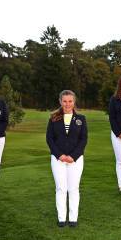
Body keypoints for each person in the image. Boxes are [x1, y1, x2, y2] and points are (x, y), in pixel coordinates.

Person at [46, 90, 88, 228]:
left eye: (70, 101)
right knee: (61, 188)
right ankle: (62, 218)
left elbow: (83, 140)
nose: (67, 104)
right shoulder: (53, 118)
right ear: (60, 101)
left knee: (73, 188)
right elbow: (50, 139)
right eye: (65, 101)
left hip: (75, 159)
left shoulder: (81, 119)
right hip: (58, 159)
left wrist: (73, 156)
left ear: (74, 102)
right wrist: (60, 155)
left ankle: (73, 218)